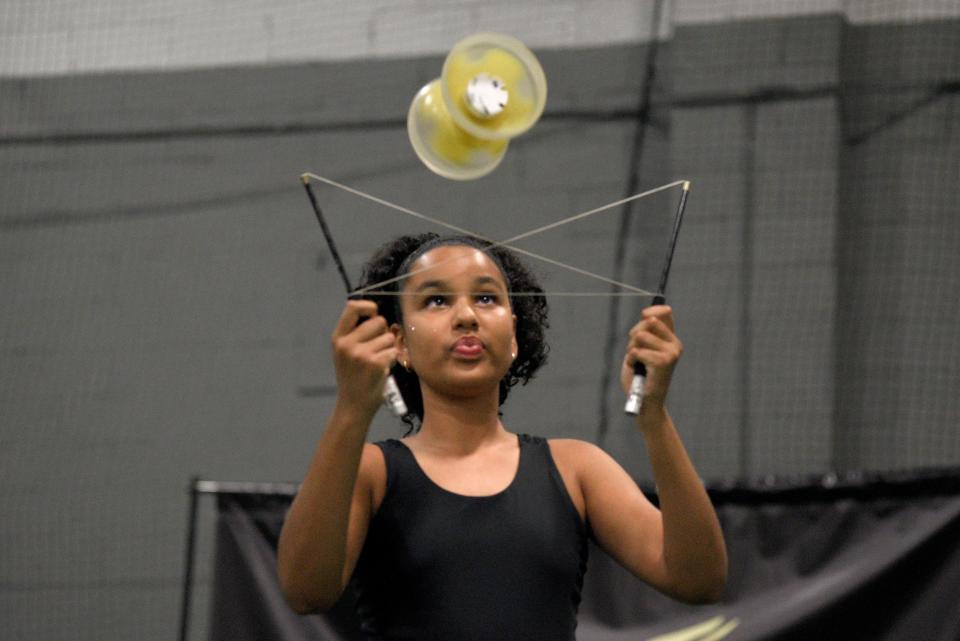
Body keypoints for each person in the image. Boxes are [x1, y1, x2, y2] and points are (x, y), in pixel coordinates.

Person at [277, 233, 727, 641]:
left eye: (487, 298)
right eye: (436, 301)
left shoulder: (576, 468)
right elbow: (304, 592)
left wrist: (653, 416)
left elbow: (700, 579)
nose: (467, 316)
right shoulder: (372, 472)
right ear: (398, 344)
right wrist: (351, 410)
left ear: (513, 336)